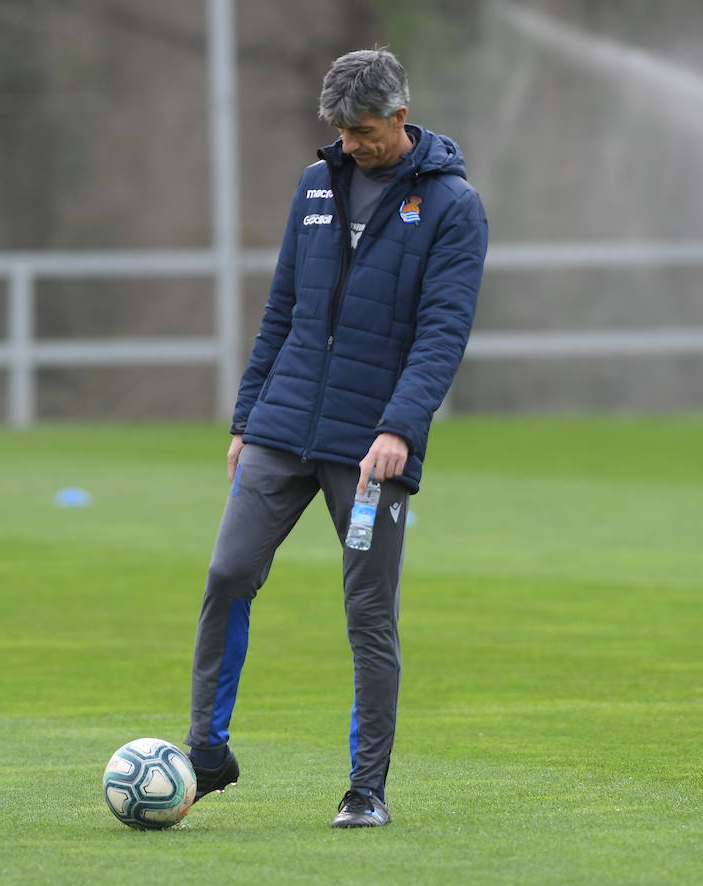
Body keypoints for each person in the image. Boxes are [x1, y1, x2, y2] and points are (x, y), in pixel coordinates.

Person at [182, 48, 487, 827]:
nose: (350, 144)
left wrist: (399, 429)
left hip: (370, 448)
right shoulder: (315, 186)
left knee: (367, 613)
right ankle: (207, 757)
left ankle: (365, 790)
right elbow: (281, 310)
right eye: (340, 131)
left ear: (399, 119)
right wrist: (247, 420)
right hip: (282, 429)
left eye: (362, 131)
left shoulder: (452, 207)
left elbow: (441, 335)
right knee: (227, 574)